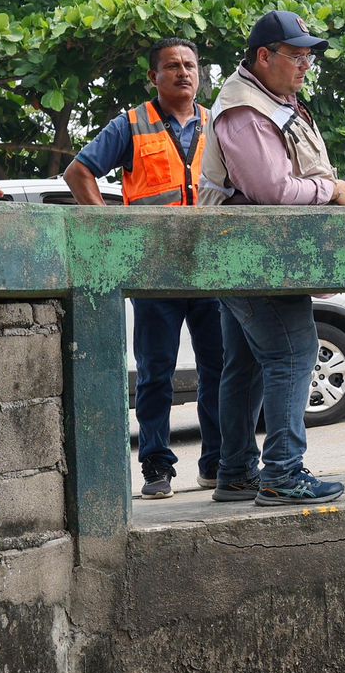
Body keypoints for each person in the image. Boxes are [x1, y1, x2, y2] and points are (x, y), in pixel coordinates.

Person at [200, 11, 345, 506]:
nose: (306, 64)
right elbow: (273, 189)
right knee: (292, 352)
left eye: (309, 56)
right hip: (256, 255)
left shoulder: (268, 99)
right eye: (296, 55)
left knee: (245, 364)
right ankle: (283, 472)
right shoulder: (245, 109)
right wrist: (331, 189)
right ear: (264, 56)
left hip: (251, 253)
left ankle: (237, 471)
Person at [63, 37, 224, 499]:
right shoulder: (131, 124)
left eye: (190, 65)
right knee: (156, 373)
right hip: (155, 269)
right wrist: (111, 231)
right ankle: (157, 466)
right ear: (154, 76)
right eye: (172, 66)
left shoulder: (218, 124)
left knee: (220, 369)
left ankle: (217, 462)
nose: (183, 72)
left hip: (214, 266)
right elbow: (78, 173)